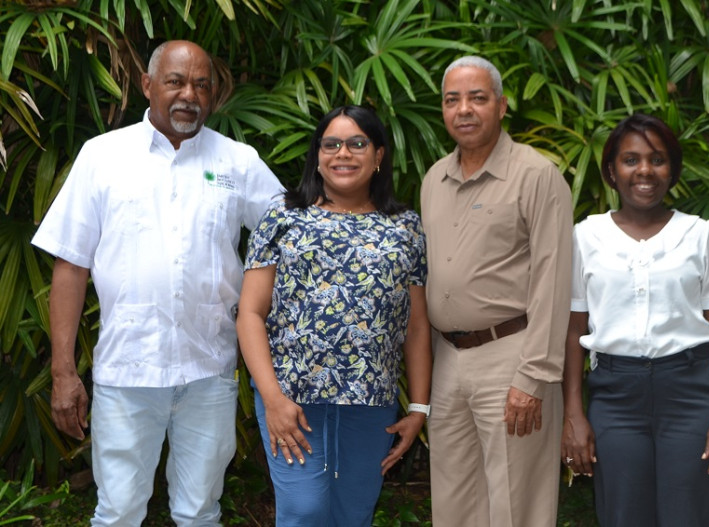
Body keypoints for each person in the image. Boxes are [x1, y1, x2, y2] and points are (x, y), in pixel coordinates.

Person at [31, 40, 284, 526]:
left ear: (213, 94)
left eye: (201, 84)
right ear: (148, 85)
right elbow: (71, 266)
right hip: (128, 373)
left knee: (199, 513)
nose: (189, 94)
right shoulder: (102, 156)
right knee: (120, 511)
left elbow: (289, 239)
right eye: (175, 81)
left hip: (209, 373)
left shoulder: (239, 162)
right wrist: (63, 373)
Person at [236, 105, 432, 527]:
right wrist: (272, 399)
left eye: (357, 143)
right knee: (303, 510)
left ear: (378, 155)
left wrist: (418, 407)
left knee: (353, 513)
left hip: (370, 402)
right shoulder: (282, 217)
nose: (343, 153)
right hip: (292, 400)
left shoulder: (405, 227)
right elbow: (250, 313)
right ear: (318, 155)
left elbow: (416, 326)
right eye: (332, 144)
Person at [561, 113, 709, 526]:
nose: (644, 170)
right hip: (615, 398)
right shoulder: (585, 237)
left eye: (658, 159)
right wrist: (573, 413)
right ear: (611, 170)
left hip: (690, 395)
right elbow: (574, 331)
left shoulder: (701, 235)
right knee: (623, 516)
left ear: (673, 170)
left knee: (689, 516)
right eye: (631, 159)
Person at [420, 56, 573, 526]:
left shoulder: (536, 176)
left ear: (503, 106)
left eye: (477, 98)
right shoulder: (433, 179)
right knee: (454, 500)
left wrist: (535, 375)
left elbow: (554, 279)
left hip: (512, 359)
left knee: (516, 504)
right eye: (452, 100)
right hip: (448, 360)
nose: (464, 109)